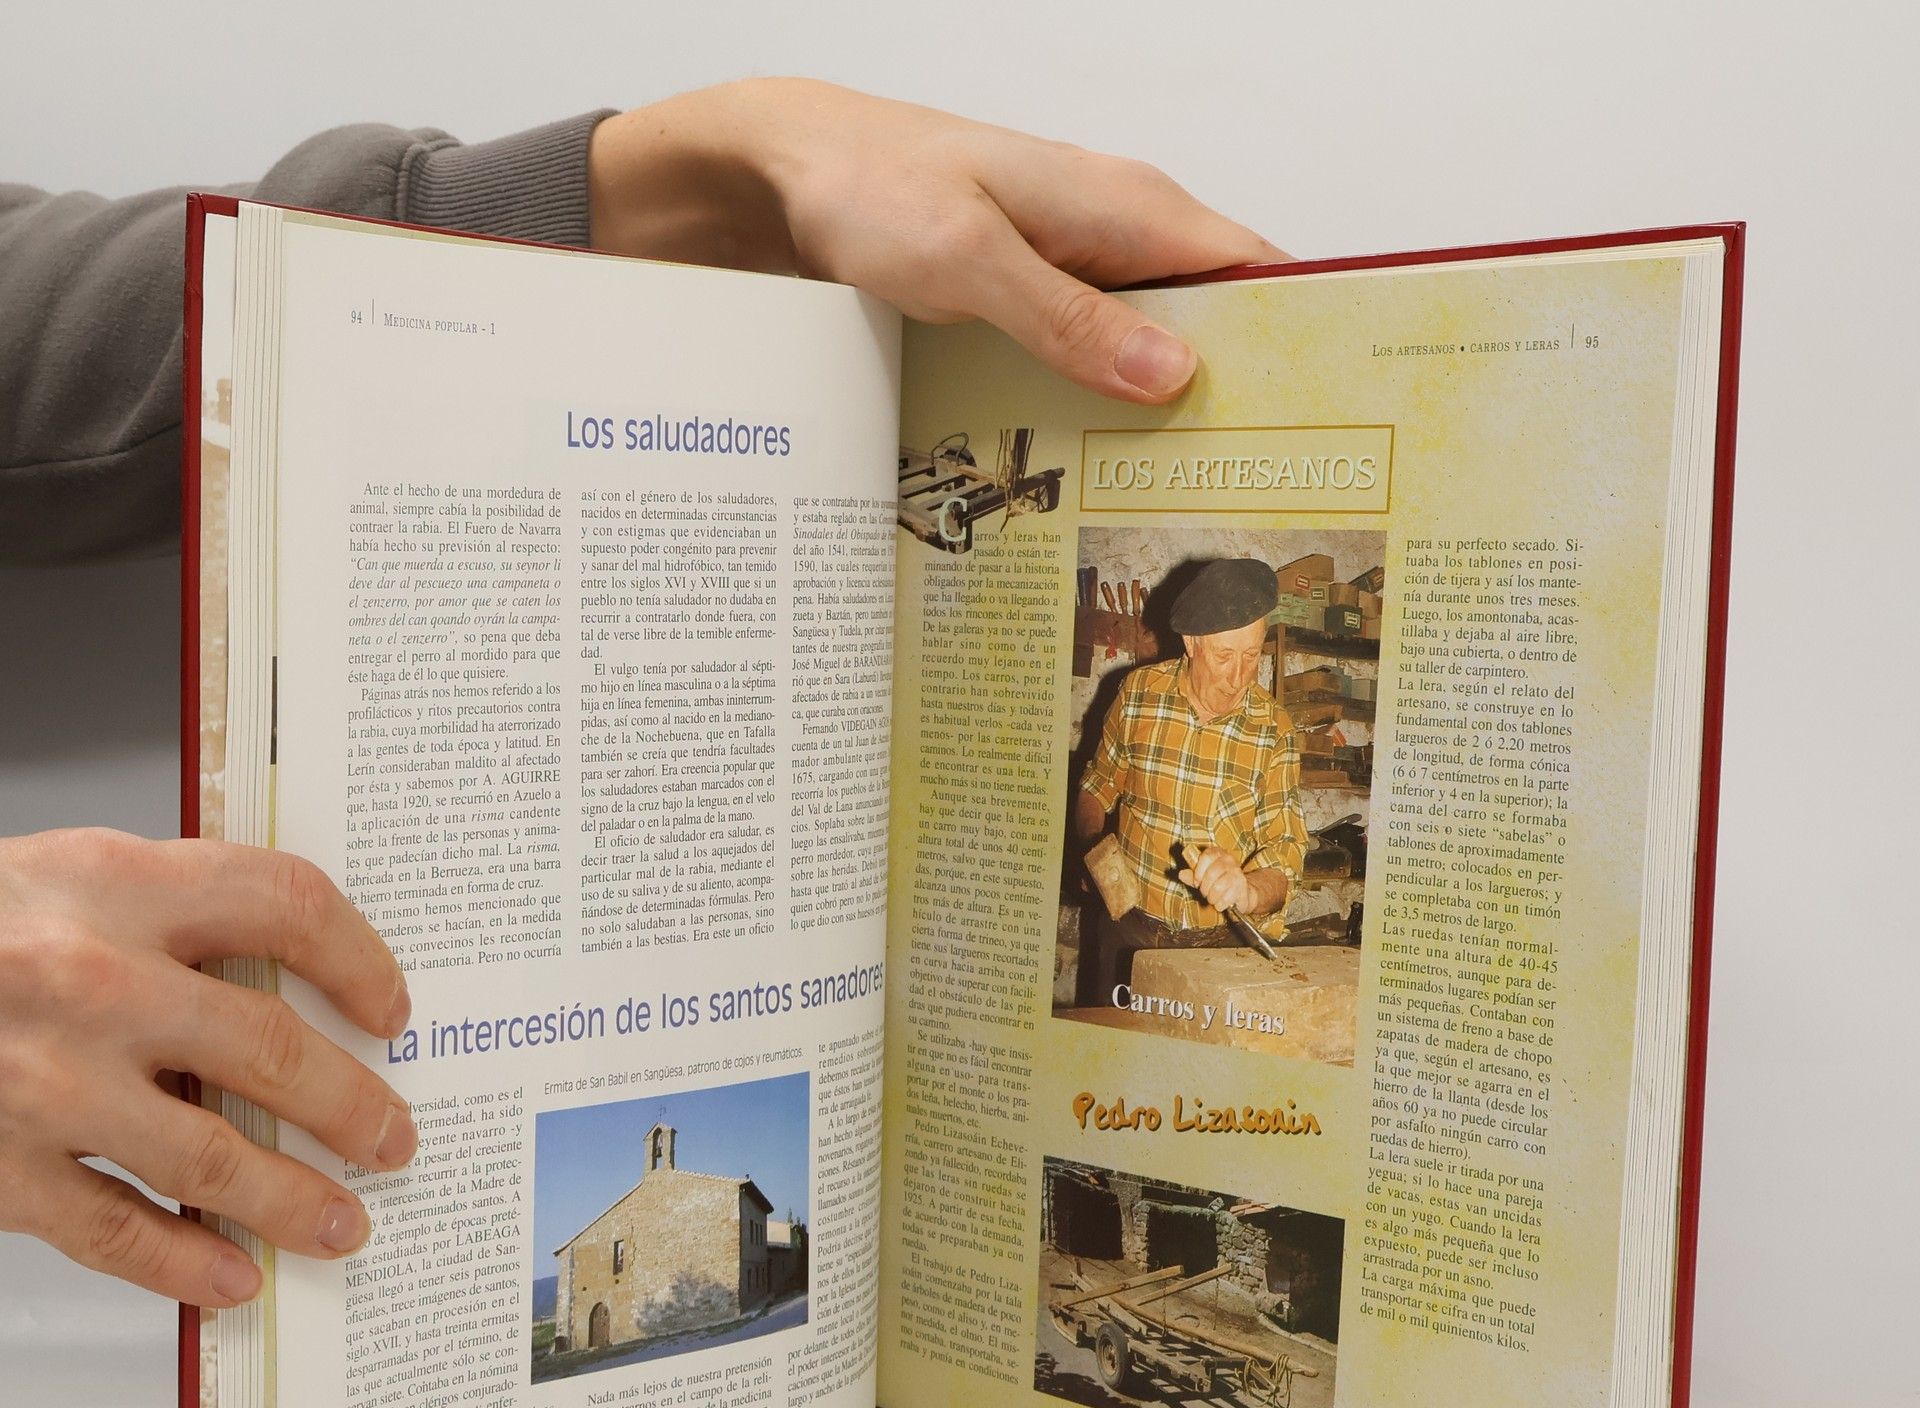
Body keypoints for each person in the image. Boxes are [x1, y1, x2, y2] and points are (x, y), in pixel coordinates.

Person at [0, 78, 1287, 1312]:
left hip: (1219, 975)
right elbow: (1094, 808)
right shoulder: (1140, 706)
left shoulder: (1272, 740)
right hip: (1120, 945)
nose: (1227, 675)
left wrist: (714, 174)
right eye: (1212, 653)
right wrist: (1109, 850)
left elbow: (53, 333)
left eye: (1249, 658)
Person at [1073, 556, 1309, 1006]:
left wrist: (1247, 890)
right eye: (1224, 656)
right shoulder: (1138, 693)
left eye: (1252, 656)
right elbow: (1098, 784)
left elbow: (1287, 851)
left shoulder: (1274, 729)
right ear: (1192, 643)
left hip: (1217, 947)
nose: (1239, 678)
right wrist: (1091, 848)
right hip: (1126, 933)